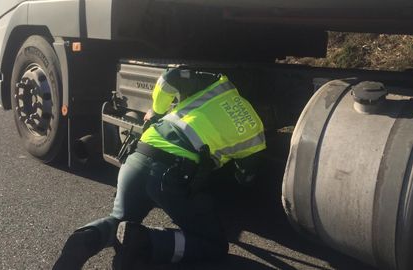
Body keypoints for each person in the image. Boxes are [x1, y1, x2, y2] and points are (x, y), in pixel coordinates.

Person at [52, 67, 266, 269]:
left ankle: (88, 237)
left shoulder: (219, 87)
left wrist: (156, 112)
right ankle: (144, 241)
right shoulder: (256, 130)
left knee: (120, 219)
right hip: (172, 175)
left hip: (138, 155)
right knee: (214, 245)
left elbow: (169, 77)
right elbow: (245, 177)